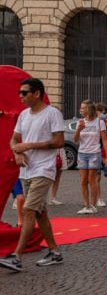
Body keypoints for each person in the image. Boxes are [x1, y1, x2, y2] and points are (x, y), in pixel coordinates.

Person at [1, 78, 65, 272]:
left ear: (37, 93)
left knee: (29, 210)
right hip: (26, 170)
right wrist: (17, 152)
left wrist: (29, 145)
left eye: (24, 92)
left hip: (44, 170)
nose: (20, 96)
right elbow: (14, 139)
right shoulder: (23, 115)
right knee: (40, 213)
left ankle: (17, 257)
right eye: (20, 92)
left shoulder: (52, 113)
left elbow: (59, 141)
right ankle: (55, 252)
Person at [74, 99, 107, 214]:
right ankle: (86, 205)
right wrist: (79, 129)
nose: (81, 109)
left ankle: (93, 205)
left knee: (91, 180)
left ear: (89, 109)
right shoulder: (80, 122)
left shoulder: (100, 122)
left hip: (94, 153)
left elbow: (104, 140)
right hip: (82, 153)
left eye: (83, 107)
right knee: (83, 181)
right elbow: (75, 140)